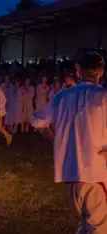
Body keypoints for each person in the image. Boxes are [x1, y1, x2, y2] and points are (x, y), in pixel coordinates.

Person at [31, 52, 107, 233]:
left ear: (79, 72)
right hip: (95, 175)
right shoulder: (103, 97)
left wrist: (52, 138)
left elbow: (36, 121)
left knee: (84, 224)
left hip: (70, 177)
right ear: (101, 71)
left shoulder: (62, 97)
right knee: (99, 227)